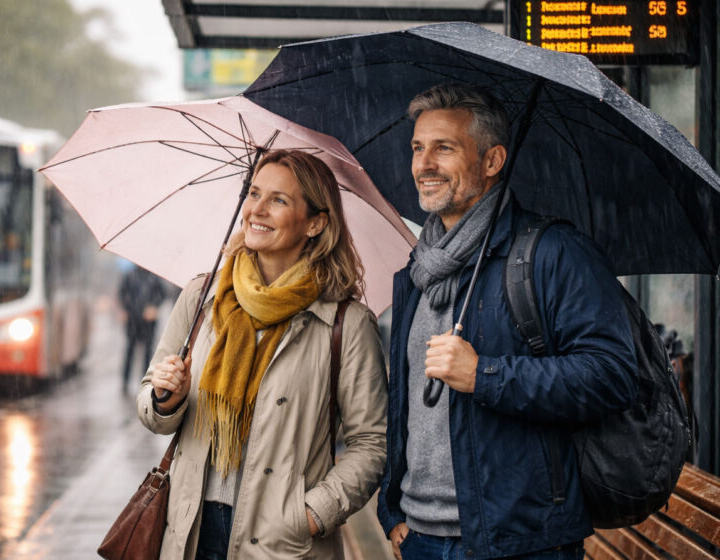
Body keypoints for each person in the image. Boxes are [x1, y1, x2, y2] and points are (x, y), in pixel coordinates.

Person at [377, 83, 638, 559]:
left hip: (519, 541)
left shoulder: (554, 253)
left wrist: (485, 376)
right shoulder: (416, 272)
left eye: (444, 148)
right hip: (418, 538)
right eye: (418, 147)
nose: (423, 164)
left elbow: (613, 376)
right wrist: (393, 512)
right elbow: (407, 404)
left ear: (493, 161)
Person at [138, 149, 388, 559]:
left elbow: (371, 445)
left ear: (316, 223)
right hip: (189, 532)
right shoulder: (203, 297)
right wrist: (167, 396)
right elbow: (152, 407)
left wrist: (309, 514)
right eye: (254, 194)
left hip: (282, 543)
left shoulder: (346, 323)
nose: (258, 209)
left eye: (279, 200)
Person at [118, 264, 166, 394]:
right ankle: (125, 383)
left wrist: (153, 307)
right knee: (129, 351)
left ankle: (145, 382)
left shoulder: (154, 277)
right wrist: (125, 310)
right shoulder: (129, 275)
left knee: (148, 354)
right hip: (133, 321)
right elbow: (122, 293)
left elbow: (163, 294)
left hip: (148, 322)